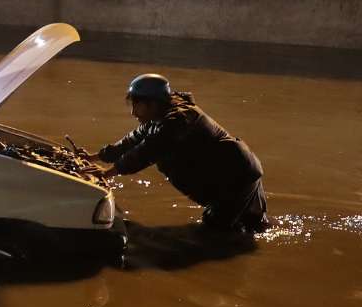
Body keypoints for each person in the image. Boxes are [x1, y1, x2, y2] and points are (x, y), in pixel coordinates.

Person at [89, 74, 269, 234]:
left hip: (237, 176)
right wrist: (94, 157)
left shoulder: (178, 120)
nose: (133, 112)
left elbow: (145, 152)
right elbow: (132, 140)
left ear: (153, 103)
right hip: (236, 172)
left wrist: (107, 173)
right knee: (252, 226)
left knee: (215, 232)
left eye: (137, 105)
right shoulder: (161, 114)